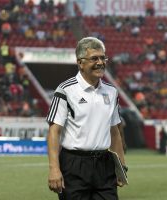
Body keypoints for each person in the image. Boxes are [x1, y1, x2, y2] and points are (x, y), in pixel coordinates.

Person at [46, 37, 127, 200]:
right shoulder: (65, 90)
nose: (100, 62)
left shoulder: (112, 92)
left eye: (103, 57)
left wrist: (121, 166)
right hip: (74, 164)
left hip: (105, 165)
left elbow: (114, 131)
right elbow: (54, 132)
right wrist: (54, 168)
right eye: (94, 58)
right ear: (80, 63)